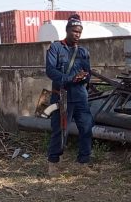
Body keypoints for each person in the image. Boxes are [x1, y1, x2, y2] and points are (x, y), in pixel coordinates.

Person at [45, 14, 94, 177]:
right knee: (59, 130)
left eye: (79, 32)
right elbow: (50, 71)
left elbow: (88, 73)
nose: (77, 34)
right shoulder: (55, 48)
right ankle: (53, 163)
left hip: (80, 96)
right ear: (67, 30)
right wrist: (69, 79)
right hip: (61, 95)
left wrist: (84, 77)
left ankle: (83, 162)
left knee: (86, 128)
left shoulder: (83, 51)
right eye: (74, 31)